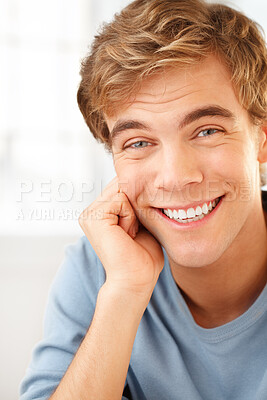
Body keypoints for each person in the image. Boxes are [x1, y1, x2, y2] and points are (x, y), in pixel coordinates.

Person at [20, 0, 267, 399]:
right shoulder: (98, 271)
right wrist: (124, 293)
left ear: (261, 139)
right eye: (138, 142)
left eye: (207, 131)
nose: (176, 177)